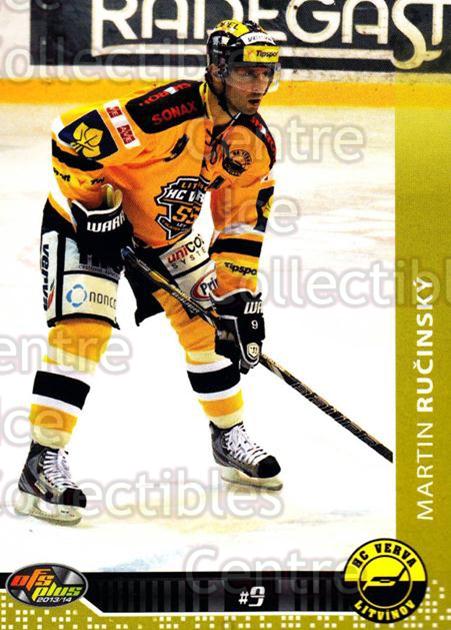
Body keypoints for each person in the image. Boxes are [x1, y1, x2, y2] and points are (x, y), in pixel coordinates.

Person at [15, 19, 282, 525]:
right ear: (216, 70)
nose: (258, 84)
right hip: (86, 222)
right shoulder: (163, 113)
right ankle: (41, 462)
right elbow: (70, 139)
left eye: (265, 73)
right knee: (84, 331)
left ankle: (228, 438)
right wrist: (98, 208)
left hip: (166, 237)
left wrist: (234, 295)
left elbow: (241, 222)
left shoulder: (253, 143)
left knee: (212, 327)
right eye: (246, 72)